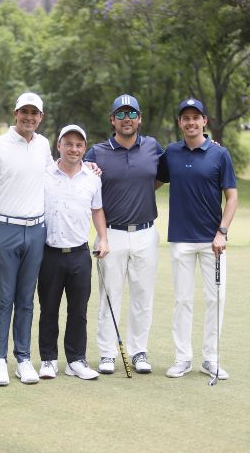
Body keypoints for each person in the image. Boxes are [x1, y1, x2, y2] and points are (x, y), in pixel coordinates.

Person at [0, 92, 52, 386]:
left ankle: (23, 358)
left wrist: (89, 167)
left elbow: (55, 175)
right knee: (4, 297)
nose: (30, 117)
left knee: (26, 298)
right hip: (4, 228)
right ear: (15, 113)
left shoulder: (43, 145)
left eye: (35, 113)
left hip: (37, 229)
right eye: (24, 112)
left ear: (41, 117)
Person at [155, 98, 238, 379]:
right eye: (185, 118)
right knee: (182, 300)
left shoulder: (219, 154)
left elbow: (232, 197)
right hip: (180, 239)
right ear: (179, 123)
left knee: (216, 298)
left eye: (196, 117)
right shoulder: (171, 153)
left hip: (212, 241)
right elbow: (152, 181)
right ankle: (182, 358)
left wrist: (222, 231)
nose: (191, 122)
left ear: (205, 121)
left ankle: (210, 359)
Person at [83, 94, 163, 375]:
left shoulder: (153, 147)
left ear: (139, 119)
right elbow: (80, 180)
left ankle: (139, 351)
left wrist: (209, 143)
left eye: (132, 114)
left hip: (146, 233)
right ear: (112, 120)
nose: (126, 119)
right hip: (111, 234)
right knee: (109, 296)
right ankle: (107, 354)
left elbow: (162, 176)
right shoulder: (97, 152)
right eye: (121, 114)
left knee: (143, 295)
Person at [36, 125, 110, 381]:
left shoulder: (92, 177)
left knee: (78, 309)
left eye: (79, 145)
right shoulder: (44, 174)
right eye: (68, 144)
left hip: (79, 253)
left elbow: (97, 210)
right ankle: (48, 359)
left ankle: (76, 360)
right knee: (48, 308)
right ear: (59, 146)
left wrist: (103, 238)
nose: (73, 149)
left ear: (84, 149)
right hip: (49, 253)